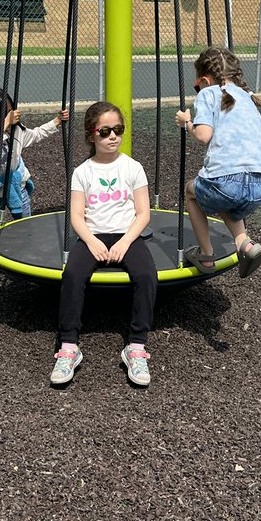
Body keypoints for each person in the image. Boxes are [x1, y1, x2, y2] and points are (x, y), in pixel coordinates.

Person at [51, 101, 157, 389]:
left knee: (147, 275)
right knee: (73, 275)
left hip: (127, 235)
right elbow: (75, 214)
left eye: (118, 130)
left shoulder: (133, 167)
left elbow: (143, 212)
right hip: (93, 235)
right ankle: (69, 346)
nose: (112, 136)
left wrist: (125, 240)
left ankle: (136, 346)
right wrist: (90, 240)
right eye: (105, 131)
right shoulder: (82, 172)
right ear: (91, 135)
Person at [174, 47, 261, 279]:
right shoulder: (247, 97)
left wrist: (187, 122)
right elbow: (260, 134)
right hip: (258, 185)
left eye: (198, 85)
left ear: (205, 80)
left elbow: (203, 135)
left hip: (225, 181)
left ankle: (206, 255)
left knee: (191, 191)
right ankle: (244, 243)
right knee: (227, 199)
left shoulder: (207, 94)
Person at [0, 85, 67, 287]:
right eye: (3, 112)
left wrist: (57, 121)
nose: (10, 115)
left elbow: (37, 134)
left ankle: (29, 263)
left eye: (10, 110)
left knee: (27, 230)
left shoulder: (17, 132)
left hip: (16, 190)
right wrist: (4, 124)